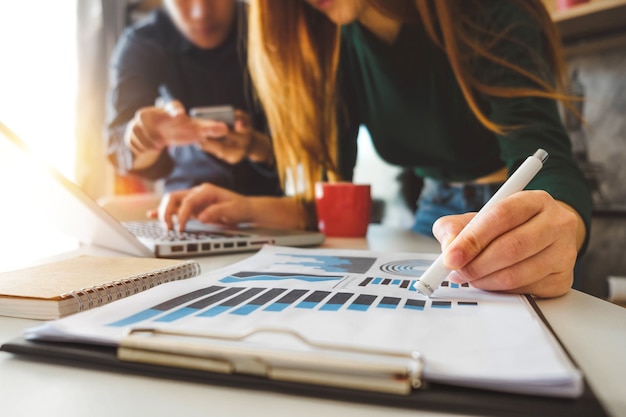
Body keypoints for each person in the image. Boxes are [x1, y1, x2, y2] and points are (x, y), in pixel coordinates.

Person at [160, 0, 592, 299]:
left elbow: (547, 159)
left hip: (511, 212)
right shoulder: (339, 40)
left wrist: (563, 226)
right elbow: (337, 206)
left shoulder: (487, 12)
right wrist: (244, 210)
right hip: (432, 215)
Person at [106, 0, 280, 196]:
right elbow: (117, 147)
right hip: (186, 209)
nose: (201, 12)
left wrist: (259, 147)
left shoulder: (276, 28)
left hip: (280, 207)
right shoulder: (143, 45)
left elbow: (315, 154)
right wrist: (145, 140)